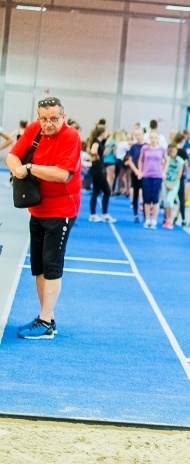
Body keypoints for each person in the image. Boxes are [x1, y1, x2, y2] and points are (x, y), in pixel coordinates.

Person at [7, 97, 82, 340]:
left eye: (53, 119)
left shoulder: (71, 136)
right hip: (37, 208)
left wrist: (28, 168)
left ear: (64, 116)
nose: (48, 124)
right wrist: (16, 166)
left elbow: (62, 174)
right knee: (38, 266)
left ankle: (46, 320)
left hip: (61, 210)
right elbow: (12, 155)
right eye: (44, 118)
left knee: (51, 265)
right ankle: (45, 317)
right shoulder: (33, 129)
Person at [138, 130, 167, 229]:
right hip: (146, 175)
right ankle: (147, 219)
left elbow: (166, 161)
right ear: (149, 138)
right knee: (147, 198)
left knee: (155, 199)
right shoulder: (145, 149)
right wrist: (140, 171)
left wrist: (163, 172)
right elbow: (140, 160)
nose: (153, 140)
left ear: (158, 139)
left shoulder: (162, 149)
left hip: (157, 176)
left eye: (155, 138)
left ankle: (154, 219)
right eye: (151, 137)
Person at [87, 126, 115, 222]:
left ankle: (104, 214)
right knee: (97, 190)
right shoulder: (96, 142)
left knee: (106, 191)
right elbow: (93, 151)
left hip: (100, 167)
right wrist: (96, 156)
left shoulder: (101, 143)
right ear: (101, 133)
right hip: (97, 168)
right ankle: (93, 214)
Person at [161, 143, 184, 230]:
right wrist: (166, 183)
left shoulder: (180, 161)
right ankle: (166, 219)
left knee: (170, 200)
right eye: (170, 151)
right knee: (165, 202)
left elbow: (179, 174)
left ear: (176, 151)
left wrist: (173, 185)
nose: (172, 153)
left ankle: (170, 220)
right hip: (166, 182)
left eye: (174, 151)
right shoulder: (166, 160)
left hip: (174, 183)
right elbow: (163, 171)